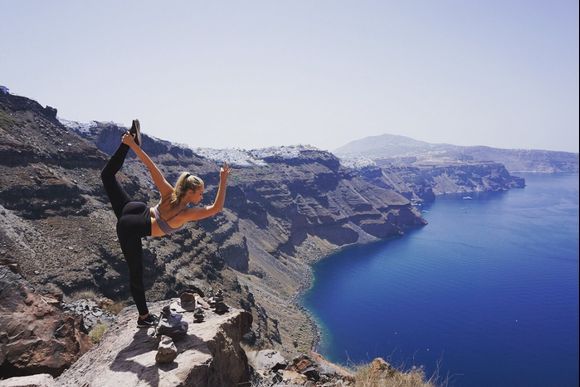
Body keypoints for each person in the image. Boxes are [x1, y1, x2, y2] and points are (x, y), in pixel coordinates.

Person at [100, 119, 231, 327]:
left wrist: (133, 146)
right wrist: (223, 181)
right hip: (131, 226)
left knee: (107, 176)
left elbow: (151, 168)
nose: (202, 196)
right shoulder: (186, 214)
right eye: (200, 192)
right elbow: (216, 208)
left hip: (135, 209)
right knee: (136, 273)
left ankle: (126, 142)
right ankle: (143, 318)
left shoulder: (169, 193)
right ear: (190, 192)